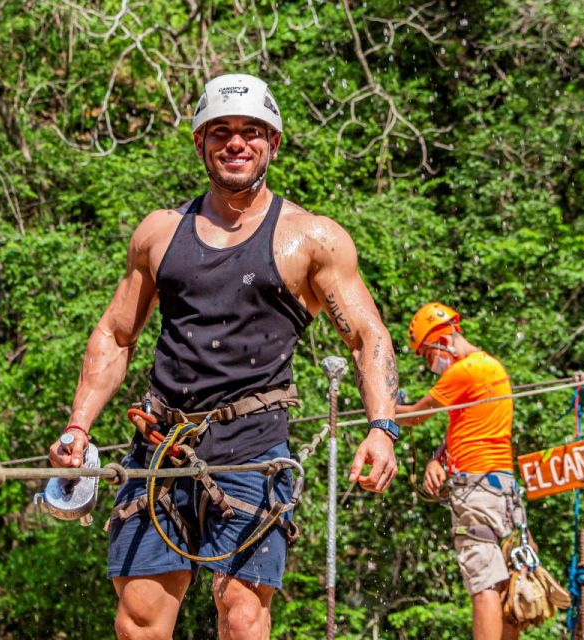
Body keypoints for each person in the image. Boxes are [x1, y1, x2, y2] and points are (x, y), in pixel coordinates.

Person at [47, 73, 400, 640]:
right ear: (200, 143)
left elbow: (367, 336)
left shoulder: (310, 238)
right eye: (221, 132)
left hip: (251, 452)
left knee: (241, 614)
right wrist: (78, 425)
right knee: (138, 622)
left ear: (273, 143)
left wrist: (382, 427)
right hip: (159, 448)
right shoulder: (160, 233)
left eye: (251, 132)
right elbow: (116, 333)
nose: (236, 143)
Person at [395, 302, 520, 640]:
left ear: (444, 339)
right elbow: (467, 429)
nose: (429, 363)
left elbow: (414, 416)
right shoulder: (491, 369)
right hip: (501, 487)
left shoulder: (465, 371)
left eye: (426, 354)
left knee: (484, 583)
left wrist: (382, 409)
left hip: (476, 489)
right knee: (507, 582)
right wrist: (438, 458)